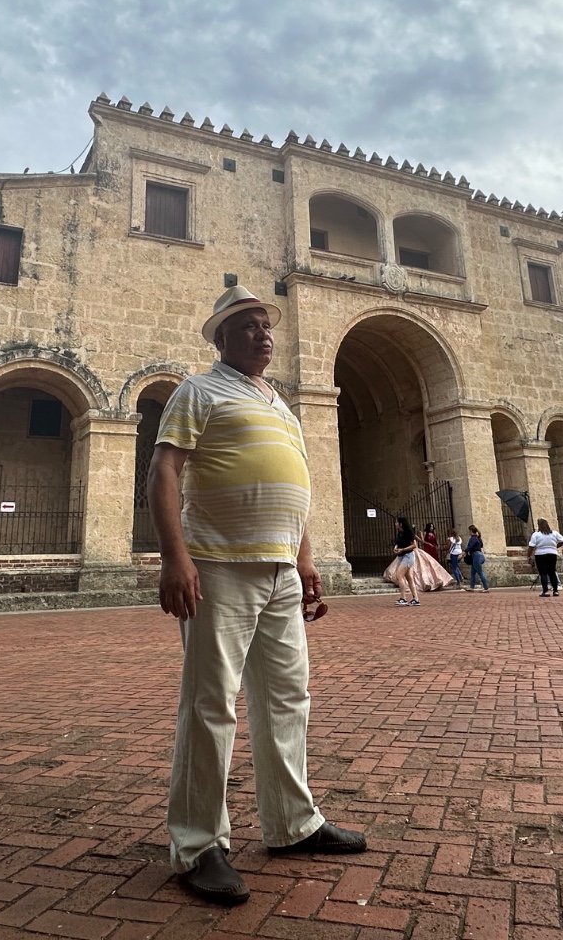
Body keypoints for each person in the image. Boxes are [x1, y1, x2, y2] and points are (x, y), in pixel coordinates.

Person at [150, 285, 367, 906]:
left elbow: (296, 488)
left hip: (280, 572)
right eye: (246, 326)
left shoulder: (283, 406)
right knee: (210, 702)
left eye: (266, 325)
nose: (262, 334)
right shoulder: (198, 391)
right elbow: (164, 470)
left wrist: (306, 560)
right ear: (221, 339)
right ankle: (198, 845)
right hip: (218, 566)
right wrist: (174, 557)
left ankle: (293, 823)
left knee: (287, 698)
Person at [528, 518, 563, 597]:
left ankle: (545, 591)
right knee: (552, 572)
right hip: (552, 554)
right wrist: (555, 546)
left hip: (540, 555)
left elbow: (531, 546)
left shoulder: (536, 534)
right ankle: (555, 591)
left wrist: (529, 555)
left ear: (539, 526)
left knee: (543, 573)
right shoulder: (554, 533)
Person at [390, 516, 422, 605]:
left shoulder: (408, 532)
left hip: (408, 556)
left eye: (397, 522)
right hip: (401, 556)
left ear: (401, 524)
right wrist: (396, 547)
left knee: (399, 575)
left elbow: (414, 545)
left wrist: (403, 549)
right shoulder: (400, 532)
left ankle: (403, 598)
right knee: (409, 578)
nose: (395, 524)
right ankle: (416, 599)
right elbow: (398, 543)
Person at [464, 524, 490, 592]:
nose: (468, 532)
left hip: (476, 556)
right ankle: (471, 587)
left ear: (471, 531)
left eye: (469, 531)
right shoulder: (478, 538)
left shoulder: (472, 539)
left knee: (480, 572)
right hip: (479, 555)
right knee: (472, 573)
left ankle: (486, 587)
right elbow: (481, 545)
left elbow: (470, 547)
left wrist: (464, 552)